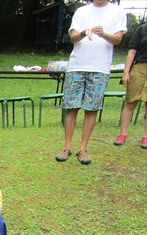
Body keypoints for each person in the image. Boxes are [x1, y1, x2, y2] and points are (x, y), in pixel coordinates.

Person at [55, 0, 126, 165]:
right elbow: (72, 37)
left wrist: (104, 34)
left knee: (91, 108)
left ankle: (83, 149)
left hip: (100, 68)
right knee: (71, 107)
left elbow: (118, 39)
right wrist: (82, 33)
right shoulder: (82, 11)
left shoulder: (117, 12)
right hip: (77, 66)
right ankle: (66, 147)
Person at [113, 22, 147, 149]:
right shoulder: (142, 29)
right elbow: (132, 52)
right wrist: (126, 72)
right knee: (131, 102)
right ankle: (122, 134)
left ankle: (145, 137)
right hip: (139, 68)